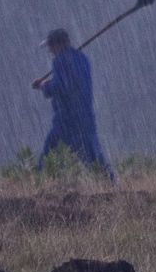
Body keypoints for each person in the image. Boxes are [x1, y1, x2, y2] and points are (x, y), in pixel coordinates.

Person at [31, 28, 115, 180]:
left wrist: (43, 86)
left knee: (49, 154)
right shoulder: (82, 59)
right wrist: (48, 83)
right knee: (93, 157)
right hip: (85, 117)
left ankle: (39, 183)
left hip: (66, 120)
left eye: (51, 46)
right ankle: (110, 183)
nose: (50, 51)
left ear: (58, 45)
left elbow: (61, 87)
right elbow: (72, 83)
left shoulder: (60, 61)